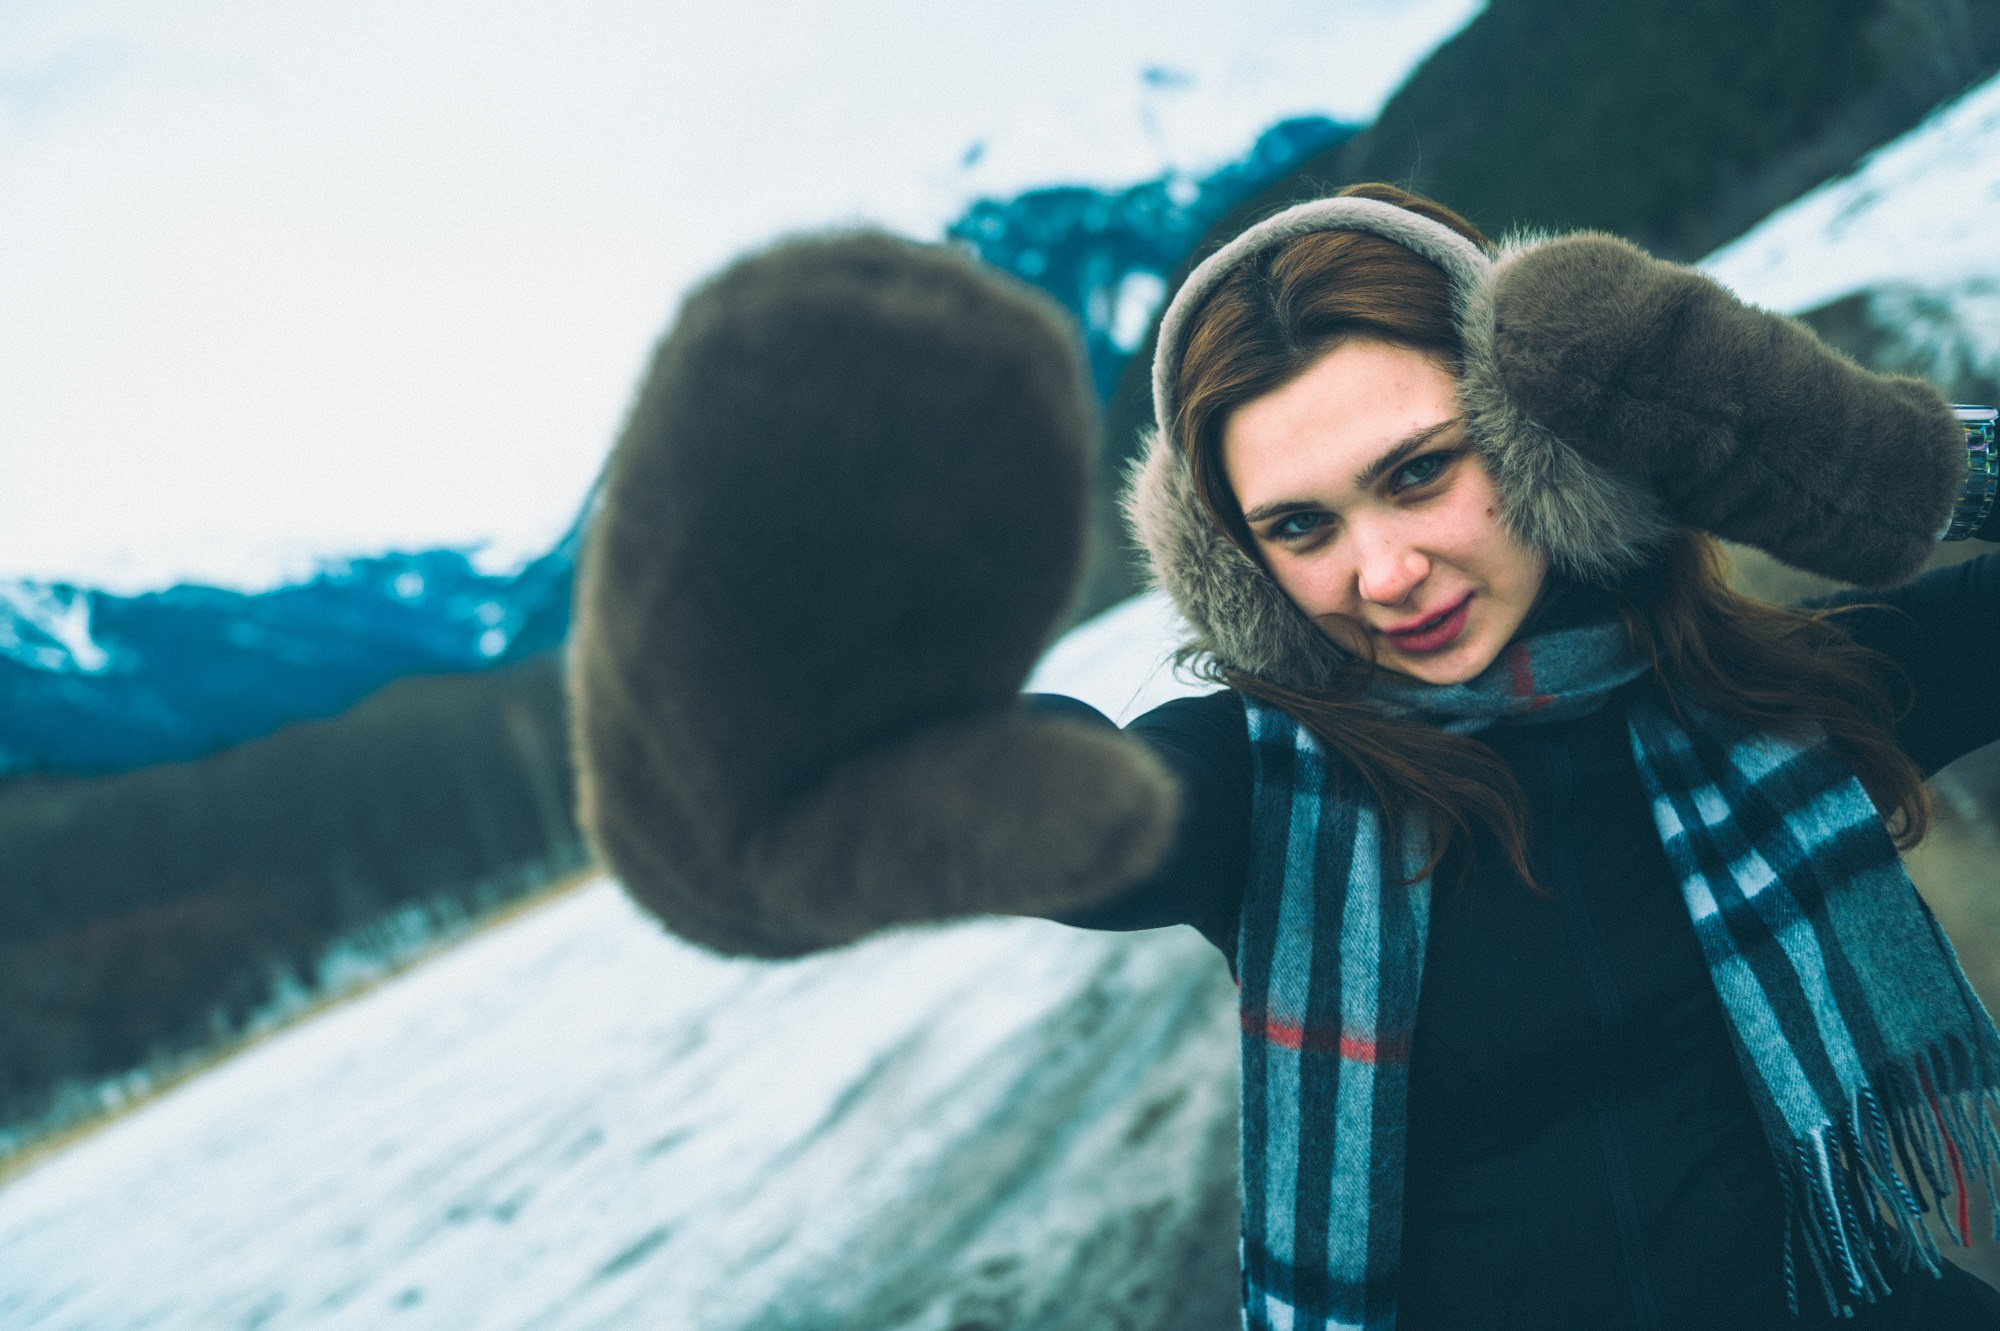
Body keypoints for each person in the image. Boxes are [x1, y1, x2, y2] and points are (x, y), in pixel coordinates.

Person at [569, 184, 2000, 1329]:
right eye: (1301, 528)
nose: (1383, 572)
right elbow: (847, 833)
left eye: (1421, 470)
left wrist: (1891, 463)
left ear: (1539, 439)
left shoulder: (1773, 696)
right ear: (1238, 560)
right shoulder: (1252, 792)